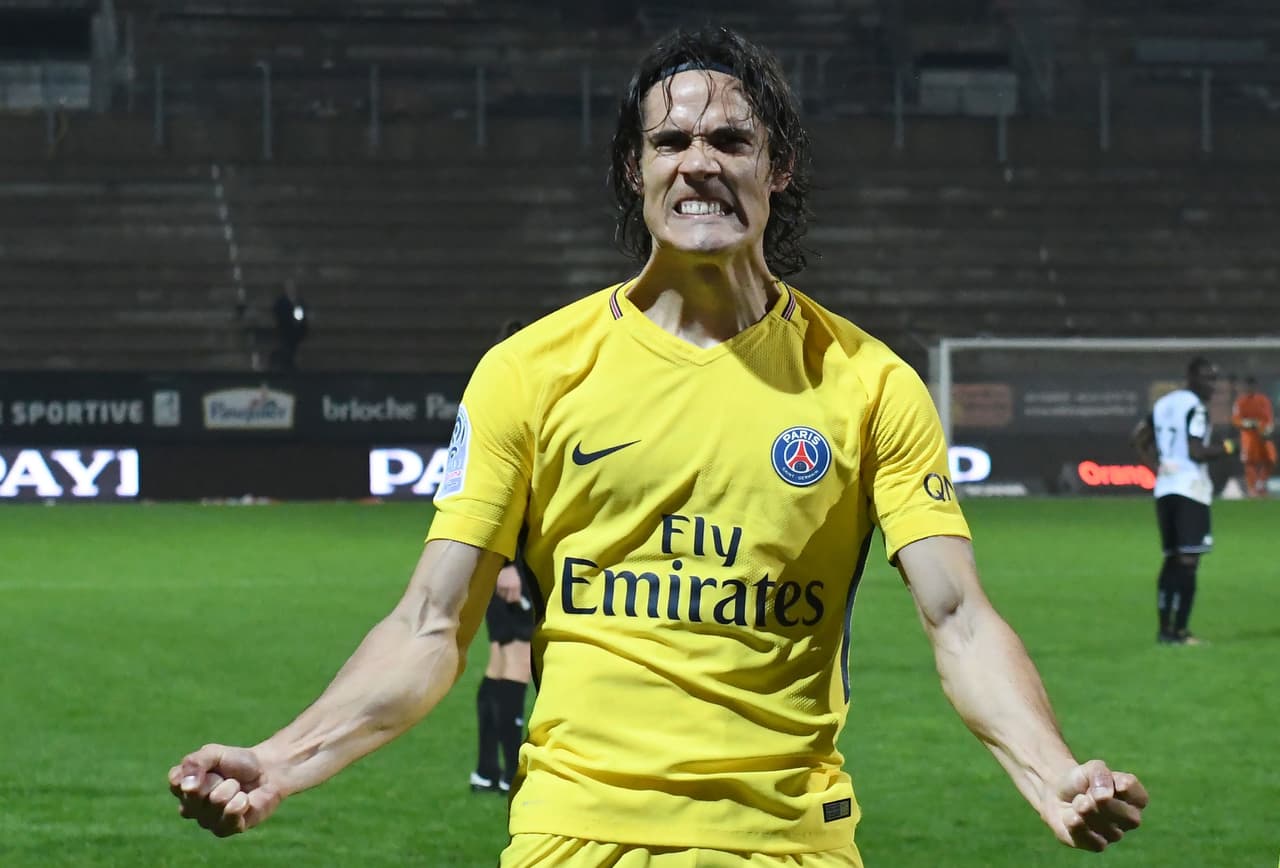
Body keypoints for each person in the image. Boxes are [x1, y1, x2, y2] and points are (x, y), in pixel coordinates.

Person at [169, 26, 1148, 865]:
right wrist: (282, 760)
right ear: (633, 170)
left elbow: (959, 620)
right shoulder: (528, 372)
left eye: (730, 139)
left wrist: (1049, 771)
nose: (698, 162)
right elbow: (429, 625)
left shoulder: (868, 382)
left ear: (777, 167)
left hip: (787, 844)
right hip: (573, 838)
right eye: (670, 140)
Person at [1132, 357, 1237, 646]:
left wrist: (1159, 466)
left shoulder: (1164, 404)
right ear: (1191, 378)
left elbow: (1138, 438)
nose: (1212, 385)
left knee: (1172, 559)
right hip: (1190, 489)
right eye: (1207, 378)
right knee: (1188, 561)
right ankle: (1180, 632)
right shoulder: (1196, 407)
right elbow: (1196, 452)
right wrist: (1228, 447)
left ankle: (1165, 629)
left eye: (1214, 379)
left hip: (1165, 488)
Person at [470, 561, 533, 794]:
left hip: (497, 566)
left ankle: (486, 771)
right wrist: (508, 565)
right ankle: (512, 774)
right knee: (519, 659)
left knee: (499, 661)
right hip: (513, 569)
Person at [1231, 375, 1274, 498]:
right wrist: (1248, 423)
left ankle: (1261, 483)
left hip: (1262, 434)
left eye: (1252, 386)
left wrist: (1268, 428)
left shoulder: (1263, 400)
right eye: (1248, 386)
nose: (1250, 388)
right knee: (1249, 462)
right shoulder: (1240, 402)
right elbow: (1236, 420)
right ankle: (1253, 488)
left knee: (1271, 458)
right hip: (1248, 435)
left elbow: (1269, 417)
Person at [269, 278, 308, 372]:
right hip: (285, 330)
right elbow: (278, 315)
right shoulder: (281, 302)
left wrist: (299, 321)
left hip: (297, 331)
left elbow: (302, 316)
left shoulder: (299, 302)